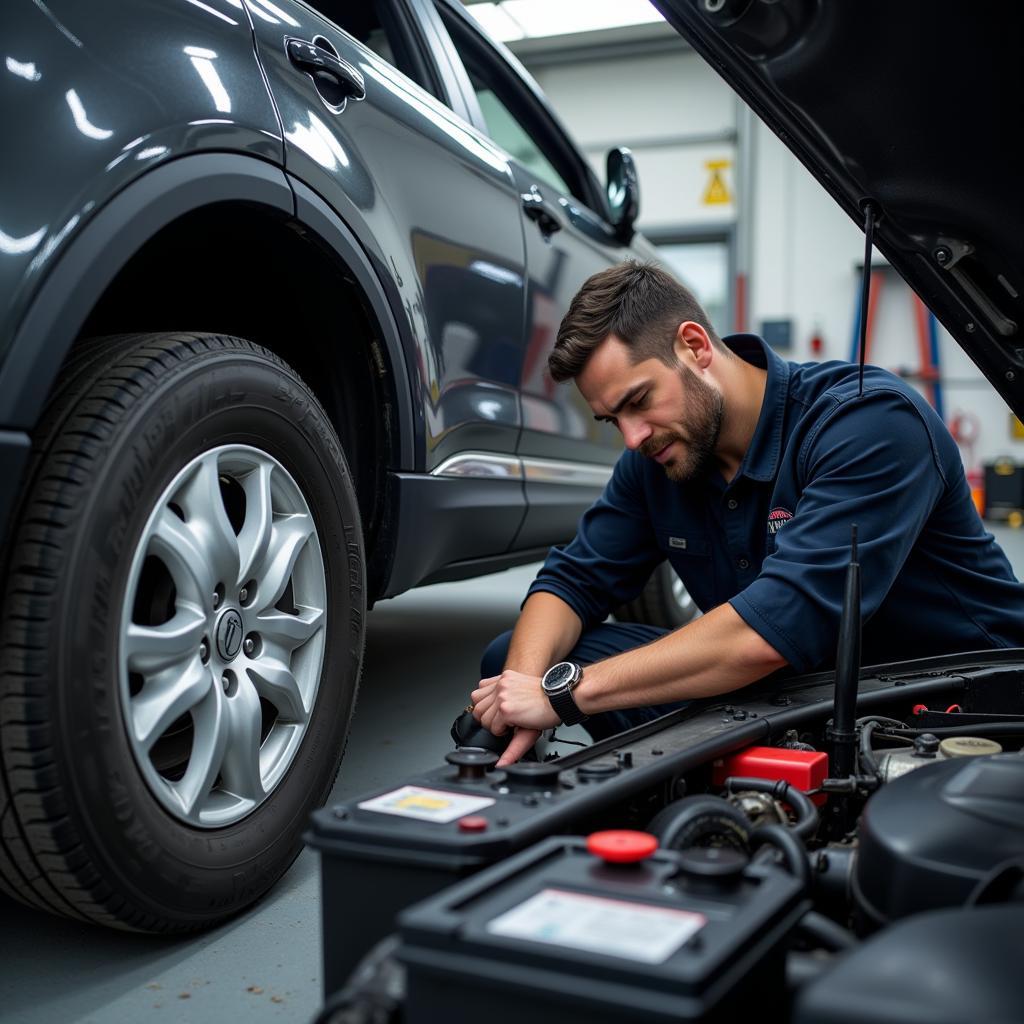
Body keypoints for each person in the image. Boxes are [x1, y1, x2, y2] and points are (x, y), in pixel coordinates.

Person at [468, 261, 1024, 766]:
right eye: (613, 420)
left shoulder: (867, 422)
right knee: (514, 659)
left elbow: (771, 630)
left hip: (951, 700)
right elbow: (572, 581)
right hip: (790, 693)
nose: (632, 437)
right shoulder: (657, 460)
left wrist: (565, 694)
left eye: (638, 401)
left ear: (694, 345)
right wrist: (520, 694)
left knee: (564, 681)